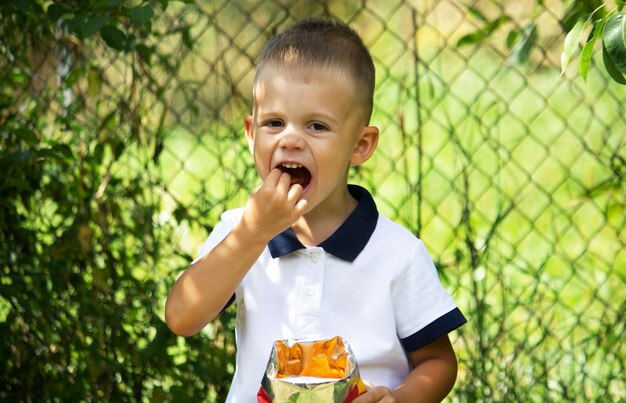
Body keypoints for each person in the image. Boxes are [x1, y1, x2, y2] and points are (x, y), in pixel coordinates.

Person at [165, 17, 466, 403]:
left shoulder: (396, 252)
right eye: (274, 122)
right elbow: (182, 317)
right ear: (251, 133)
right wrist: (253, 233)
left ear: (360, 145)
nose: (291, 139)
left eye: (317, 127)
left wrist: (401, 399)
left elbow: (438, 361)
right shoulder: (239, 231)